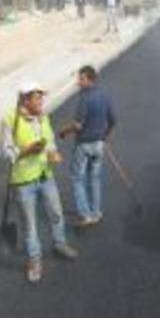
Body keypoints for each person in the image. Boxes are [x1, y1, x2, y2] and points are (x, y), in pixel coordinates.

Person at [0, 82, 78, 284]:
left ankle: (59, 244)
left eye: (42, 97)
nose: (42, 101)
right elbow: (5, 153)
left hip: (45, 175)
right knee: (30, 226)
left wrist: (53, 152)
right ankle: (34, 261)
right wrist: (25, 151)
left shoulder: (43, 116)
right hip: (24, 181)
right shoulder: (10, 119)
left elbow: (50, 140)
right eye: (37, 98)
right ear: (25, 100)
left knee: (56, 213)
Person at [60, 66, 117, 228]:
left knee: (77, 178)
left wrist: (64, 132)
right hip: (99, 145)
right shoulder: (105, 96)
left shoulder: (85, 99)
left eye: (81, 79)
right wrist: (105, 136)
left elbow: (78, 125)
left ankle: (86, 215)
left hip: (84, 145)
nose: (78, 82)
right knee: (94, 178)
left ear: (90, 80)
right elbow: (113, 120)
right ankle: (96, 212)